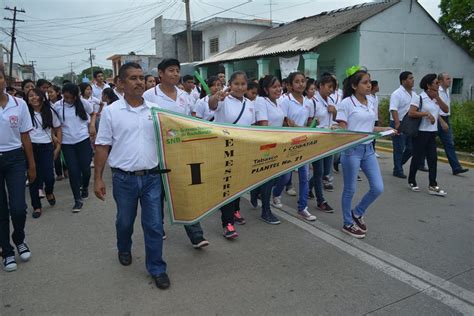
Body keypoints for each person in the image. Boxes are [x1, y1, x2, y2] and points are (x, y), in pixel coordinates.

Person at [94, 62, 170, 290]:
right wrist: (97, 178)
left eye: (141, 77)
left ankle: (157, 268)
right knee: (124, 221)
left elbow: (169, 138)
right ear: (121, 83)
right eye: (133, 78)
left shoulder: (155, 110)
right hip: (123, 179)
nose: (139, 82)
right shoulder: (111, 112)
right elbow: (102, 146)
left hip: (152, 178)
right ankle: (124, 246)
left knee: (154, 225)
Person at [143, 58, 209, 248]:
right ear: (160, 74)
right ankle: (158, 227)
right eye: (171, 70)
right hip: (156, 153)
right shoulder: (149, 95)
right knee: (158, 195)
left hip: (180, 152)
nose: (175, 74)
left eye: (177, 71)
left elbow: (191, 120)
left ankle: (196, 235)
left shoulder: (184, 95)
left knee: (185, 192)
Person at [336, 68, 395, 238]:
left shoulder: (371, 102)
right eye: (365, 82)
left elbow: (370, 128)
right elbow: (342, 130)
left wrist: (386, 129)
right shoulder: (346, 103)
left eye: (370, 82)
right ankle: (348, 223)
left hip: (368, 150)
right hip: (352, 151)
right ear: (354, 86)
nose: (369, 85)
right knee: (350, 189)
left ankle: (358, 211)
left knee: (378, 188)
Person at [209, 71, 256, 238]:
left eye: (243, 84)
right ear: (230, 84)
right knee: (228, 185)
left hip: (243, 150)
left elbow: (251, 127)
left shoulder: (250, 104)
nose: (240, 87)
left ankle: (236, 210)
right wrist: (216, 96)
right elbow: (212, 105)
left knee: (238, 183)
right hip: (225, 149)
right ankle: (227, 223)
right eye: (236, 84)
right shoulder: (223, 99)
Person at [0, 68, 36, 272]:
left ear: (5, 80)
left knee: (18, 207)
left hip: (15, 158)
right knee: (1, 211)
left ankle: (19, 238)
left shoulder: (19, 104)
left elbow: (25, 137)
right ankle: (6, 251)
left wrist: (31, 165)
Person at [271, 71, 317, 222]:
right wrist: (296, 127)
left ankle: (302, 207)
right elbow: (284, 121)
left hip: (303, 143)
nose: (301, 84)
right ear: (289, 85)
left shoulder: (308, 102)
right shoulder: (285, 101)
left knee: (304, 176)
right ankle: (276, 193)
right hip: (288, 143)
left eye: (303, 81)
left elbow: (309, 120)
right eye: (297, 82)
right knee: (285, 176)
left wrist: (310, 128)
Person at [53, 84, 96, 212]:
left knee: (86, 169)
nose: (69, 100)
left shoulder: (83, 103)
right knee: (73, 171)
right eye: (66, 97)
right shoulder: (57, 106)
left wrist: (92, 125)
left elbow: (93, 113)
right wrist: (55, 138)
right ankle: (77, 200)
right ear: (62, 95)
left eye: (72, 98)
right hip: (67, 143)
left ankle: (85, 187)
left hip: (82, 140)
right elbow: (55, 125)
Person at [250, 75, 285, 224]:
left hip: (278, 144)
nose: (278, 89)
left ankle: (255, 190)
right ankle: (266, 211)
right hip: (265, 145)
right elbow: (263, 124)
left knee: (277, 177)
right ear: (265, 89)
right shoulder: (261, 101)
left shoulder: (278, 102)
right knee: (269, 179)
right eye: (274, 87)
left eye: (279, 86)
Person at [407, 74, 450, 196]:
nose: (438, 84)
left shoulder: (437, 97)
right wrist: (426, 114)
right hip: (420, 132)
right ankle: (412, 180)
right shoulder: (419, 97)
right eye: (436, 83)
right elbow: (411, 113)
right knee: (417, 157)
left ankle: (433, 185)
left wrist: (438, 100)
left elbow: (445, 110)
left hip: (432, 132)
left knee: (433, 159)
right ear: (428, 85)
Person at [26, 88, 62, 218]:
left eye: (36, 95)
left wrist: (58, 146)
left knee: (49, 177)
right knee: (33, 178)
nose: (34, 98)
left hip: (46, 147)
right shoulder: (25, 113)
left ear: (42, 97)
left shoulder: (49, 111)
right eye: (30, 96)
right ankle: (36, 206)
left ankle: (49, 192)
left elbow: (58, 128)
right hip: (30, 148)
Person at [309, 74, 338, 213]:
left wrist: (335, 111)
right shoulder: (312, 102)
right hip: (317, 141)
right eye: (329, 87)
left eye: (333, 87)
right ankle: (321, 201)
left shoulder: (331, 100)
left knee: (326, 171)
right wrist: (315, 124)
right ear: (320, 86)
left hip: (329, 140)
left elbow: (336, 119)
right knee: (319, 171)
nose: (331, 90)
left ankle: (309, 188)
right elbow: (308, 123)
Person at [437, 73, 468, 175]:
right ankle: (417, 163)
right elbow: (433, 108)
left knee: (449, 143)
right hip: (438, 119)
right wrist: (442, 122)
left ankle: (456, 167)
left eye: (450, 79)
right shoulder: (437, 91)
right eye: (447, 79)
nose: (450, 80)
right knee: (426, 143)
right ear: (440, 81)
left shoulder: (447, 90)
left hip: (446, 118)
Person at [389, 71, 417, 178]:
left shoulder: (414, 94)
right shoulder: (397, 94)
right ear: (403, 81)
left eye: (413, 78)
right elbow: (393, 109)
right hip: (398, 122)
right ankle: (398, 170)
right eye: (410, 78)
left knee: (411, 148)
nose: (413, 80)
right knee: (399, 148)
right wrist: (397, 124)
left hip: (410, 124)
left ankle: (399, 164)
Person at [48, 85, 68, 181]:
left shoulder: (63, 103)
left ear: (58, 92)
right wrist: (52, 135)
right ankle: (59, 172)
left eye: (51, 92)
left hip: (64, 130)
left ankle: (66, 169)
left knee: (65, 151)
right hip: (53, 131)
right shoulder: (46, 105)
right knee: (56, 151)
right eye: (48, 92)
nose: (50, 94)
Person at [368, 80, 381, 158]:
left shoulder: (376, 97)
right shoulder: (369, 97)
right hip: (371, 119)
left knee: (374, 137)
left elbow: (377, 108)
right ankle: (371, 151)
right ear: (374, 87)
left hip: (375, 119)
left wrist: (379, 117)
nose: (378, 87)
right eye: (377, 86)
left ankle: (373, 150)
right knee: (370, 136)